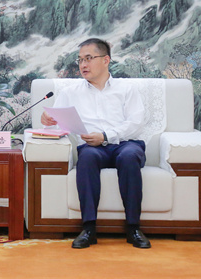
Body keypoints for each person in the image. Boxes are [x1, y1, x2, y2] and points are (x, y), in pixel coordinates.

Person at [41, 38, 151, 249]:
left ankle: (133, 228)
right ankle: (89, 229)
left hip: (125, 144)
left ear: (106, 60)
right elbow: (58, 125)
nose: (83, 65)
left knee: (129, 157)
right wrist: (48, 121)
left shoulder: (126, 89)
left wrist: (106, 136)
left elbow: (136, 123)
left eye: (89, 58)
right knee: (87, 157)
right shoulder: (70, 92)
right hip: (92, 147)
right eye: (80, 60)